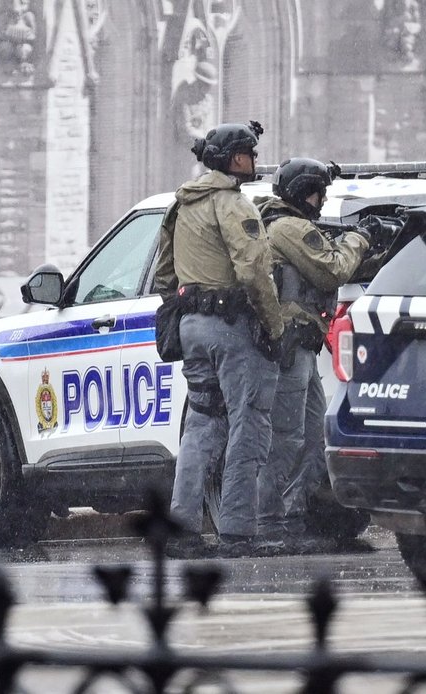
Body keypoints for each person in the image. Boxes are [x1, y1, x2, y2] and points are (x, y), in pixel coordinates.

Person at [154, 121, 284, 558]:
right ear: (233, 159)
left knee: (201, 425)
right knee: (250, 424)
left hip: (192, 327)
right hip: (234, 329)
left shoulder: (181, 205)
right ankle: (238, 530)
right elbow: (253, 270)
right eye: (249, 152)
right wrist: (275, 325)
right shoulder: (233, 204)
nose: (254, 159)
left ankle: (183, 526)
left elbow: (163, 276)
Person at [255, 158, 374, 553]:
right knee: (287, 438)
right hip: (290, 346)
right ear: (300, 193)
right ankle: (268, 521)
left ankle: (294, 515)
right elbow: (332, 270)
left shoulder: (293, 226)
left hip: (302, 346)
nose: (320, 200)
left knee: (312, 437)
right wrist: (359, 238)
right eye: (316, 192)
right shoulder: (287, 227)